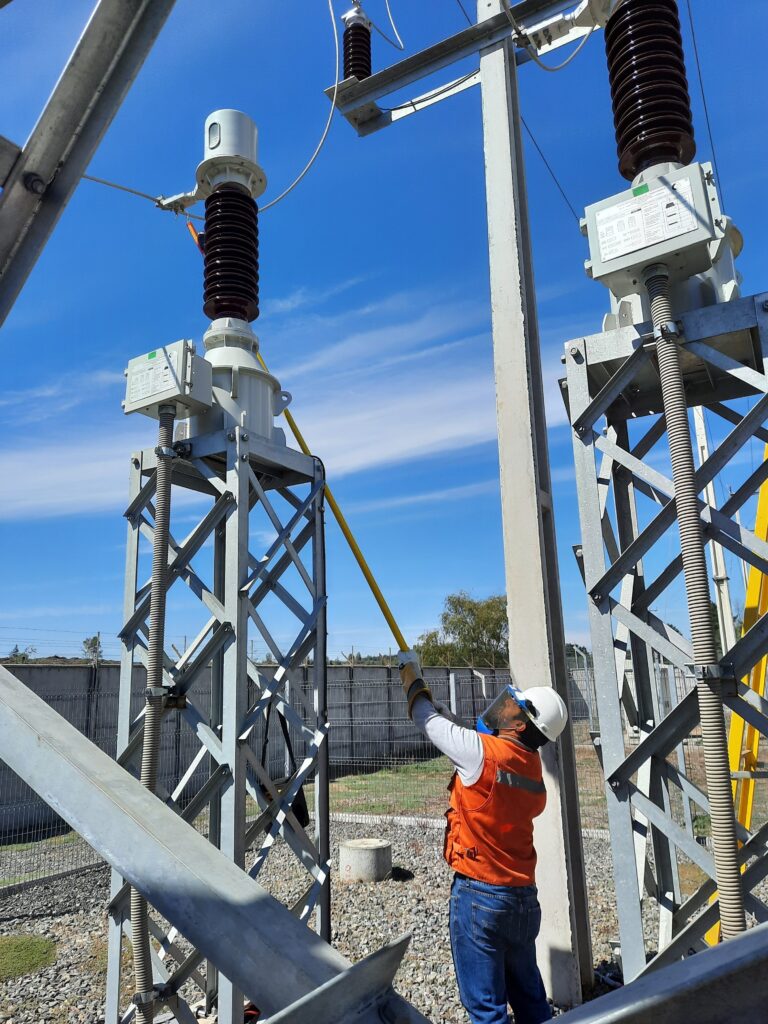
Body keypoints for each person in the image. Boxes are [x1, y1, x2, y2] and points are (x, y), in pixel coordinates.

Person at [397, 650, 569, 1024]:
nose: (506, 710)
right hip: (523, 899)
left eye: (515, 710)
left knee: (488, 1013)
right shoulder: (531, 767)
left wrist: (409, 671)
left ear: (522, 726)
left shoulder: (481, 755)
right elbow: (477, 744)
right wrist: (449, 717)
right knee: (531, 1003)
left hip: (480, 898)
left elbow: (423, 718)